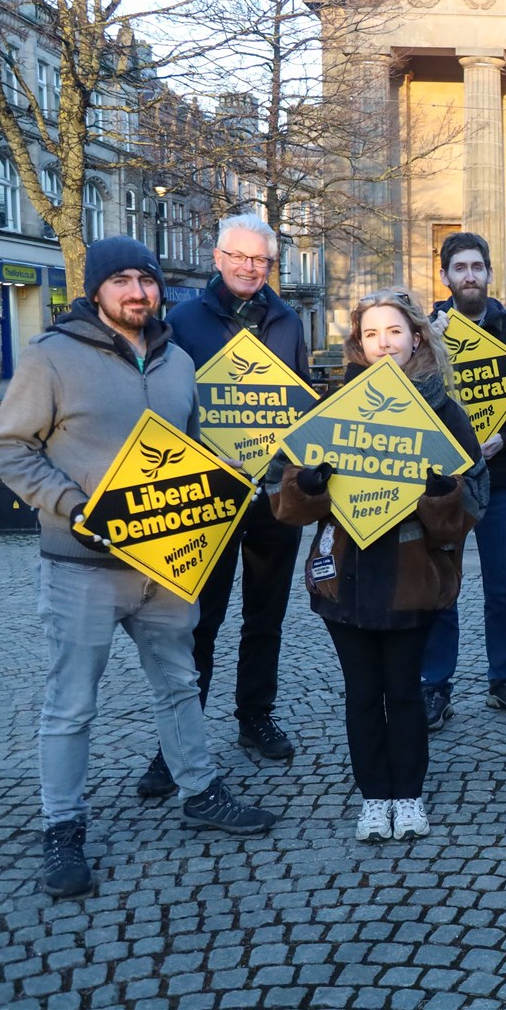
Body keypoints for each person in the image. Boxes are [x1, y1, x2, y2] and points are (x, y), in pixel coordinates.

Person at [0, 236, 277, 899]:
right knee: (71, 705)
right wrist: (73, 505)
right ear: (96, 291)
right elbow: (8, 447)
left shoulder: (177, 362)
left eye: (145, 281)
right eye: (122, 280)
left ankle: (200, 791)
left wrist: (223, 487)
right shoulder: (51, 358)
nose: (137, 292)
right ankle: (62, 827)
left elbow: (193, 446)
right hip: (80, 564)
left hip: (166, 563)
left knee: (179, 681)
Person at [269, 290, 487, 843]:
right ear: (358, 344)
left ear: (416, 336)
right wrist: (310, 485)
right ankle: (373, 797)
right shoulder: (333, 406)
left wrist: (442, 494)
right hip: (345, 578)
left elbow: (472, 507)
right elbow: (285, 498)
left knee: (406, 691)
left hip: (412, 580)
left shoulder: (442, 412)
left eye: (394, 331)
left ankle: (409, 795)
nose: (383, 344)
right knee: (362, 693)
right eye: (371, 334)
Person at [148, 212, 310, 798]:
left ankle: (254, 717)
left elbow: (299, 399)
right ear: (218, 259)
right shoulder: (185, 319)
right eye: (239, 257)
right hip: (207, 494)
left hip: (271, 495)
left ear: (270, 265)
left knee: (265, 616)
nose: (249, 267)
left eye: (260, 260)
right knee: (198, 620)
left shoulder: (287, 321)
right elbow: (162, 400)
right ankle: (177, 744)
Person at [421, 232, 506, 729]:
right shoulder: (428, 332)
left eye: (477, 267)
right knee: (443, 585)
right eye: (459, 268)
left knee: (503, 588)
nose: (469, 276)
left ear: (489, 273)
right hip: (446, 485)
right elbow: (419, 400)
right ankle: (435, 683)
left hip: (504, 477)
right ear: (446, 276)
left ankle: (505, 678)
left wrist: (504, 440)